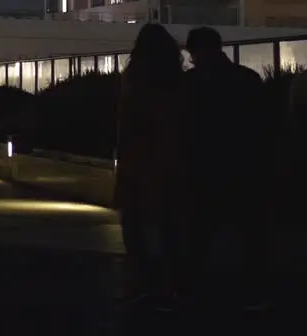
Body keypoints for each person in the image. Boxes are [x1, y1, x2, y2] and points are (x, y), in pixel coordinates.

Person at [180, 26, 275, 309]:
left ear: (196, 51)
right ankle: (254, 294)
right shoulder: (248, 79)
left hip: (204, 169)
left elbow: (184, 128)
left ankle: (194, 293)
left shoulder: (190, 84)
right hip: (244, 167)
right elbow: (264, 126)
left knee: (199, 236)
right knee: (250, 235)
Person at [114, 23, 186, 308]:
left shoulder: (134, 76)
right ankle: (171, 283)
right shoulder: (177, 80)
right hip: (170, 159)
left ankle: (141, 281)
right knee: (169, 224)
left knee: (134, 224)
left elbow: (127, 121)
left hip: (138, 159)